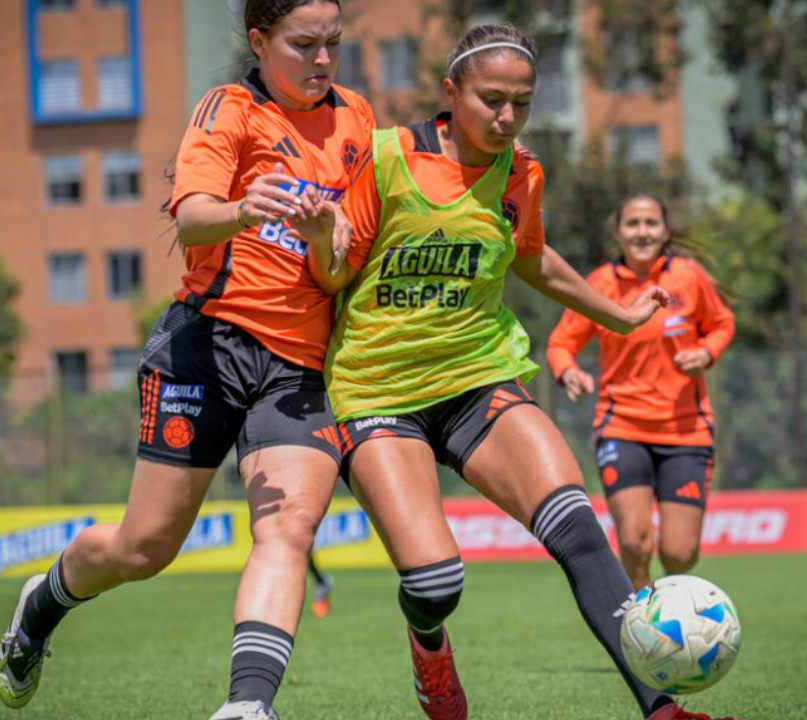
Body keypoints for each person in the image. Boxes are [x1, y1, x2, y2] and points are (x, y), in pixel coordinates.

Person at [306, 23, 737, 720]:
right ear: (452, 92)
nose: (507, 118)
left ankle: (662, 710)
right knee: (437, 581)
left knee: (578, 529)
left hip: (481, 377)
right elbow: (331, 276)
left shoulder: (524, 173)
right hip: (378, 392)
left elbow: (531, 256)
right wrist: (323, 240)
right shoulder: (386, 159)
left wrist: (619, 314)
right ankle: (429, 648)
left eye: (523, 103)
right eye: (492, 100)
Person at [0, 2, 374, 719]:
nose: (322, 60)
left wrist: (325, 242)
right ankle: (41, 603)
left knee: (288, 529)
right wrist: (246, 209)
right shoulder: (228, 109)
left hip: (298, 370)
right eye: (303, 45)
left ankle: (247, 707)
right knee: (145, 549)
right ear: (260, 43)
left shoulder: (356, 120)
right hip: (206, 347)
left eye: (333, 44)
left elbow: (335, 274)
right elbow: (191, 212)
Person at [546, 192, 735, 590]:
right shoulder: (601, 283)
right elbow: (561, 344)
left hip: (687, 431)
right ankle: (644, 623)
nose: (642, 232)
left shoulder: (689, 276)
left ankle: (675, 611)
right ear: (618, 231)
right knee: (633, 541)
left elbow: (722, 323)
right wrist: (568, 372)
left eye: (651, 223)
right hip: (623, 427)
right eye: (633, 223)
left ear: (665, 230)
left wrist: (706, 352)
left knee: (680, 553)